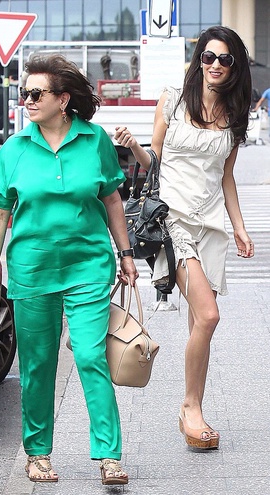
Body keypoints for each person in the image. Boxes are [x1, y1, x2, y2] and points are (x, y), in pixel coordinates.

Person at [0, 53, 138, 484]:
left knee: (90, 357)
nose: (27, 100)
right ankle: (38, 453)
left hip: (89, 265)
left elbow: (111, 200)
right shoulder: (15, 148)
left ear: (63, 99)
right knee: (38, 364)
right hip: (32, 271)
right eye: (23, 93)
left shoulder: (95, 140)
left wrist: (125, 255)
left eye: (36, 93)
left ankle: (109, 456)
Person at [115, 26, 254, 450]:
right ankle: (189, 407)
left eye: (224, 59)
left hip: (210, 225)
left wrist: (240, 227)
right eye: (208, 57)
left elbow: (226, 178)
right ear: (199, 61)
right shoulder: (172, 100)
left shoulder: (234, 115)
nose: (214, 65)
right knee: (210, 316)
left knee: (200, 322)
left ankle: (196, 411)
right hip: (172, 222)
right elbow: (154, 159)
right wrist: (132, 147)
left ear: (234, 68)